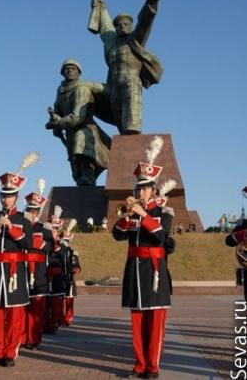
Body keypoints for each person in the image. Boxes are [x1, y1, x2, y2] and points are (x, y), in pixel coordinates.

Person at [112, 137, 174, 379]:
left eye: (146, 188)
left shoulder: (163, 213)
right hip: (134, 270)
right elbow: (117, 235)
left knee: (155, 322)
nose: (142, 191)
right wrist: (128, 217)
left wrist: (143, 215)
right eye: (139, 188)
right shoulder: (130, 213)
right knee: (137, 322)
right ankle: (139, 364)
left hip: (155, 270)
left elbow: (162, 236)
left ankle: (152, 366)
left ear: (154, 190)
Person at [0, 160, 37, 367]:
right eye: (3, 195)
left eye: (10, 195)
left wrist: (11, 229)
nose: (6, 199)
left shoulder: (24, 217)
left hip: (14, 271)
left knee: (15, 314)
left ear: (17, 197)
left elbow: (29, 244)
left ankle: (10, 353)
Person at [92, 0, 166, 134]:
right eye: (118, 25)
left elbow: (144, 22)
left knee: (132, 125)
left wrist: (151, 3)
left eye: (126, 24)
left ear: (131, 26)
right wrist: (101, 7)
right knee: (120, 125)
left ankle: (133, 150)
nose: (122, 27)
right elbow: (105, 27)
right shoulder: (112, 44)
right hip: (115, 85)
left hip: (131, 82)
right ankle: (122, 153)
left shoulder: (136, 40)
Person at [45, 59, 111, 186]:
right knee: (76, 172)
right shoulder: (61, 90)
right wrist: (54, 123)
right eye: (67, 69)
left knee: (83, 152)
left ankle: (89, 175)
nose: (69, 70)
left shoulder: (82, 88)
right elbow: (58, 111)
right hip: (70, 132)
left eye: (73, 68)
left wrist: (59, 123)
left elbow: (78, 117)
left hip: (85, 129)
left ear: (79, 73)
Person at [22, 180, 53, 349]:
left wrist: (40, 244)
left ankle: (34, 339)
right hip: (23, 269)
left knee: (37, 309)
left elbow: (52, 247)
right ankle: (22, 338)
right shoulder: (21, 226)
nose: (32, 214)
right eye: (29, 210)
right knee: (22, 307)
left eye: (35, 211)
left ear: (39, 212)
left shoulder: (44, 227)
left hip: (40, 270)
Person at [44, 205, 66, 334]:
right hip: (44, 275)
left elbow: (61, 255)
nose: (54, 231)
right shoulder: (44, 241)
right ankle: (44, 323)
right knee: (44, 303)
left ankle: (53, 324)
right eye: (52, 229)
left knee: (56, 303)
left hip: (56, 277)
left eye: (56, 229)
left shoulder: (61, 244)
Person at [60, 219, 81, 326]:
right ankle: (60, 318)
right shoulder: (58, 251)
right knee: (60, 300)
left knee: (69, 300)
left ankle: (68, 318)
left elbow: (77, 266)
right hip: (60, 278)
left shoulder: (73, 253)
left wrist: (75, 268)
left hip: (69, 279)